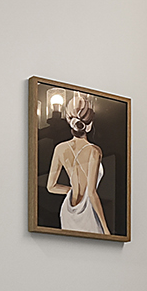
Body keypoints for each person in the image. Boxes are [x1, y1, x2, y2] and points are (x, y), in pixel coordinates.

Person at [45, 93, 110, 234]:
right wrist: (106, 230)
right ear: (89, 125)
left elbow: (51, 187)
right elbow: (91, 193)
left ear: (69, 121)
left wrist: (72, 190)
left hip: (68, 210)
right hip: (88, 210)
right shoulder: (94, 151)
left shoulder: (60, 149)